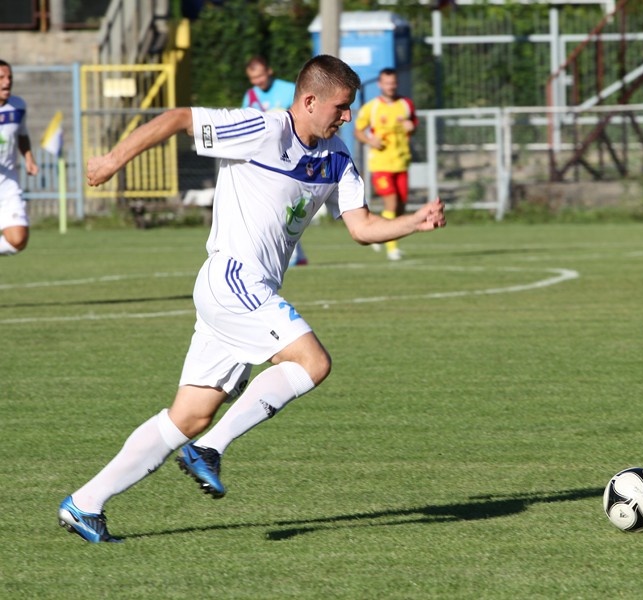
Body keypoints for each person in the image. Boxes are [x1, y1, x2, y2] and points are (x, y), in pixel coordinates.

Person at [58, 54, 445, 543]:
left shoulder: (337, 157)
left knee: (190, 415)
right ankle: (210, 448)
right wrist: (113, 161)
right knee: (312, 363)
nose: (347, 117)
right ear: (309, 101)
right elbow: (180, 118)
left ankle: (85, 502)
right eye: (341, 107)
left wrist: (414, 222)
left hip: (247, 291)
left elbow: (362, 227)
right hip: (233, 278)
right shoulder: (262, 129)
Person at [243, 55, 308, 266]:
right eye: (253, 78)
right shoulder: (251, 95)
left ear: (269, 71)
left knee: (284, 207)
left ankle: (292, 255)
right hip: (263, 160)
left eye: (260, 75)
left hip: (290, 158)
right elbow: (247, 124)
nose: (258, 81)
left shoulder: (289, 89)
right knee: (274, 208)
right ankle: (296, 255)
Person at [354, 68, 418, 261]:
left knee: (400, 208)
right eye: (386, 83)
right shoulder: (372, 107)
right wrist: (370, 141)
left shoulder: (406, 104)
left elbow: (413, 125)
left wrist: (412, 127)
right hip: (381, 164)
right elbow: (358, 131)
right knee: (391, 203)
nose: (390, 86)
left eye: (393, 83)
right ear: (380, 84)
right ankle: (392, 249)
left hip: (401, 162)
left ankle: (378, 234)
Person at [0, 60, 39, 257]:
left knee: (18, 240)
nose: (7, 82)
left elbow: (22, 135)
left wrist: (29, 157)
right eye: (1, 78)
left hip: (7, 184)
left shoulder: (18, 107)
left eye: (9, 78)